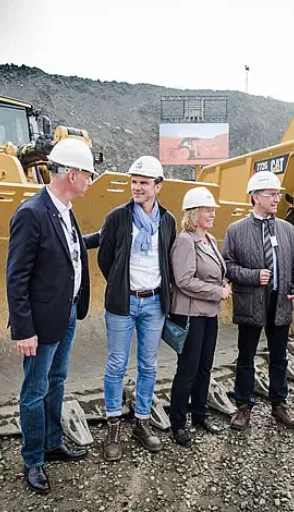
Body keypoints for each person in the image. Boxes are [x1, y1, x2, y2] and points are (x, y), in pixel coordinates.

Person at [6, 138, 97, 494]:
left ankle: (52, 442)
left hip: (68, 311)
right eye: (88, 175)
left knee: (57, 380)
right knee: (34, 389)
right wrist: (24, 330)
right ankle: (33, 459)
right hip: (41, 322)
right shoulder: (31, 212)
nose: (91, 181)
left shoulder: (63, 209)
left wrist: (101, 237)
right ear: (72, 174)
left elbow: (66, 247)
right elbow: (16, 277)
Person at [97, 155, 177, 462]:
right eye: (134, 182)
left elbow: (168, 259)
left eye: (144, 183)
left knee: (149, 364)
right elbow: (106, 258)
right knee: (116, 363)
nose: (137, 188)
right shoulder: (117, 217)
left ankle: (142, 422)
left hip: (155, 303)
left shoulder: (167, 221)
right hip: (123, 302)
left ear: (158, 186)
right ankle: (114, 424)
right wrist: (120, 285)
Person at [222, 171, 294, 430]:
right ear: (255, 197)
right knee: (246, 356)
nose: (276, 198)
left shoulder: (287, 229)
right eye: (271, 194)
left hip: (280, 301)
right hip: (250, 302)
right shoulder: (236, 230)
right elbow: (227, 266)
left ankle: (279, 405)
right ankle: (243, 407)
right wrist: (252, 276)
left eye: (277, 194)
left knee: (279, 356)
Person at [169, 187, 231, 447]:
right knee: (188, 369)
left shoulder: (210, 240)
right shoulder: (185, 241)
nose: (212, 213)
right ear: (194, 213)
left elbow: (213, 272)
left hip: (209, 314)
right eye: (207, 209)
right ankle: (178, 423)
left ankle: (200, 415)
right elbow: (184, 281)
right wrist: (219, 291)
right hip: (191, 314)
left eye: (213, 209)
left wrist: (223, 282)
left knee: (205, 366)